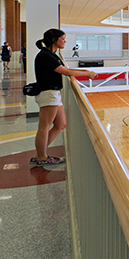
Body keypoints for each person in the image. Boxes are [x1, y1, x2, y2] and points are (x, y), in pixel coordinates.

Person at [31, 29, 97, 166]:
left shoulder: (51, 54)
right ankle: (42, 157)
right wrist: (86, 73)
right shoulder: (45, 56)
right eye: (62, 39)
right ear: (55, 40)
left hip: (53, 93)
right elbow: (65, 71)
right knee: (44, 126)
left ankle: (39, 153)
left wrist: (85, 72)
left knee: (61, 124)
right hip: (48, 93)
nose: (65, 41)